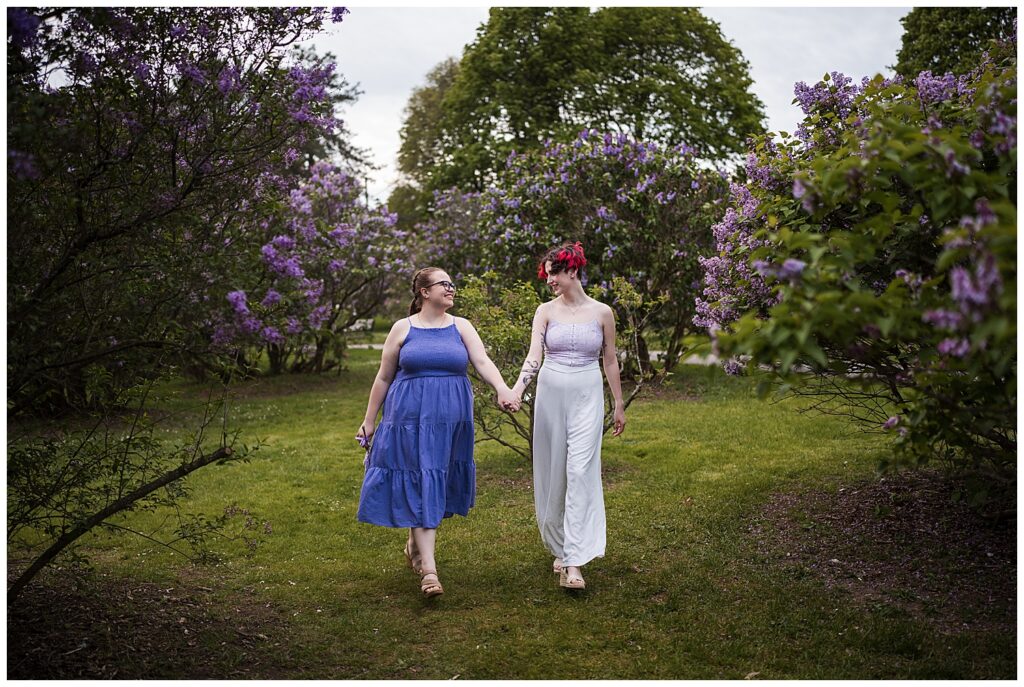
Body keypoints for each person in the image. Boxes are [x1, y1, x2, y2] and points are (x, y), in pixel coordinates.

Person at [356, 267, 519, 598]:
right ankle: (429, 572)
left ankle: (415, 546)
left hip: (450, 422)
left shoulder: (461, 326)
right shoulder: (403, 328)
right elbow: (384, 377)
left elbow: (482, 362)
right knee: (420, 479)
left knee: (431, 480)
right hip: (408, 420)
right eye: (444, 284)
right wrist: (369, 420)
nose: (451, 288)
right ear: (424, 292)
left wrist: (502, 388)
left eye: (452, 284)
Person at [510, 242, 626, 590]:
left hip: (587, 394)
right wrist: (517, 390)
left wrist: (618, 403)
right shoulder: (544, 311)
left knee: (579, 470)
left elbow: (609, 359)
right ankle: (560, 545)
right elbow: (534, 356)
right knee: (554, 471)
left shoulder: (603, 312)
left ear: (572, 271)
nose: (549, 281)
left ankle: (574, 562)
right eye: (547, 275)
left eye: (554, 274)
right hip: (551, 394)